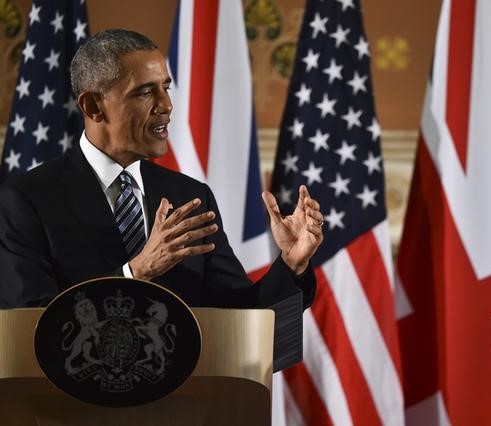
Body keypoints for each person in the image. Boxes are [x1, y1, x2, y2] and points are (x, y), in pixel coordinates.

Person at [0, 29, 323, 311]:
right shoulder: (26, 201)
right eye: (144, 92)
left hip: (187, 383)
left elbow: (238, 315)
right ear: (93, 106)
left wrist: (291, 265)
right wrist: (135, 273)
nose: (166, 105)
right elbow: (33, 320)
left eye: (165, 87)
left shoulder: (190, 196)